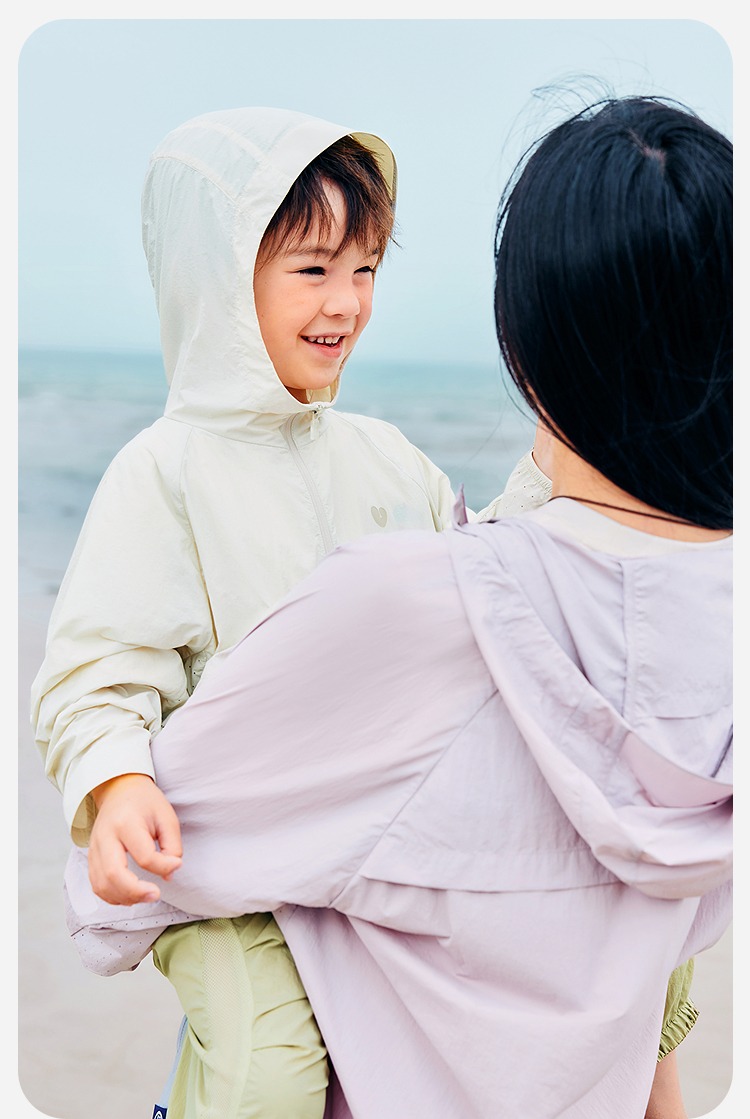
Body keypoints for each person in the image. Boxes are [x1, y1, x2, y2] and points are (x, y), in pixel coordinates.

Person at [52, 95, 732, 1118]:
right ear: (218, 279)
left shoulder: (382, 453)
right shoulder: (164, 473)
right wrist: (114, 782)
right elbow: (98, 665)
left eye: (366, 268)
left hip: (367, 850)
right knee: (270, 1064)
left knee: (635, 953)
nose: (348, 302)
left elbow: (481, 587)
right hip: (227, 856)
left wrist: (565, 464)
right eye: (313, 269)